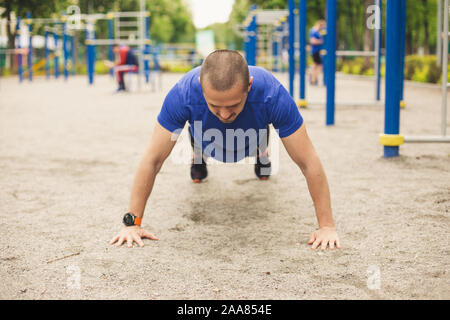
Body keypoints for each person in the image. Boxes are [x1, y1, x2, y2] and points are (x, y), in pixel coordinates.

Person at [110, 50, 340, 251]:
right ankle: (198, 157)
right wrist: (132, 223)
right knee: (198, 127)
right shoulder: (183, 94)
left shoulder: (272, 94)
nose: (225, 115)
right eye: (215, 106)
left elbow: (308, 161)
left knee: (257, 130)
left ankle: (262, 154)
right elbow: (153, 159)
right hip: (206, 138)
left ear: (249, 86)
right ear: (201, 87)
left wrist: (327, 226)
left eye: (232, 105)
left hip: (252, 136)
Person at [309, 20, 326, 85]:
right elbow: (312, 41)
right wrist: (321, 41)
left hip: (315, 51)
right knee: (319, 66)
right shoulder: (314, 31)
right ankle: (313, 78)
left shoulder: (314, 31)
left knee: (315, 65)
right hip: (315, 51)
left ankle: (313, 78)